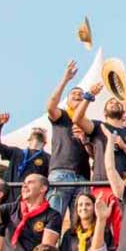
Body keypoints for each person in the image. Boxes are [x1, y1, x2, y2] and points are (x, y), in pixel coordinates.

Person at [73, 81, 126, 240]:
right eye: (110, 102)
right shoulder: (98, 127)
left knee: (120, 229)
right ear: (105, 111)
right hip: (100, 186)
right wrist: (89, 96)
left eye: (117, 102)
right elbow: (77, 118)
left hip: (122, 187)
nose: (114, 103)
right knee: (97, 228)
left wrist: (124, 146)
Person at [45, 60, 91, 216]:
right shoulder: (62, 116)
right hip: (61, 174)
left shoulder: (88, 123)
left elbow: (92, 153)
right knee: (54, 219)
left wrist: (84, 139)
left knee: (79, 223)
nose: (78, 95)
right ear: (67, 100)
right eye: (74, 94)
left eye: (81, 94)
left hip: (83, 177)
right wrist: (66, 79)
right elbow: (50, 106)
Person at [0, 112, 50, 202]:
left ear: (45, 142)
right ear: (28, 139)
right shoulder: (16, 152)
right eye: (35, 129)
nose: (38, 130)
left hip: (31, 201)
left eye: (43, 131)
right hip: (9, 200)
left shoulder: (48, 158)